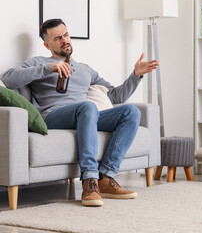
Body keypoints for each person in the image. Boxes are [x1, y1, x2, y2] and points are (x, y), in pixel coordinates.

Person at [1, 18, 159, 206]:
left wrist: (136, 75)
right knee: (88, 106)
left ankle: (106, 177)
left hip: (86, 115)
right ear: (47, 44)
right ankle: (89, 180)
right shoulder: (39, 62)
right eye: (58, 38)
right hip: (53, 117)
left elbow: (116, 96)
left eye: (66, 35)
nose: (64, 40)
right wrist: (48, 67)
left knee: (130, 112)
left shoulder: (85, 69)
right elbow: (8, 79)